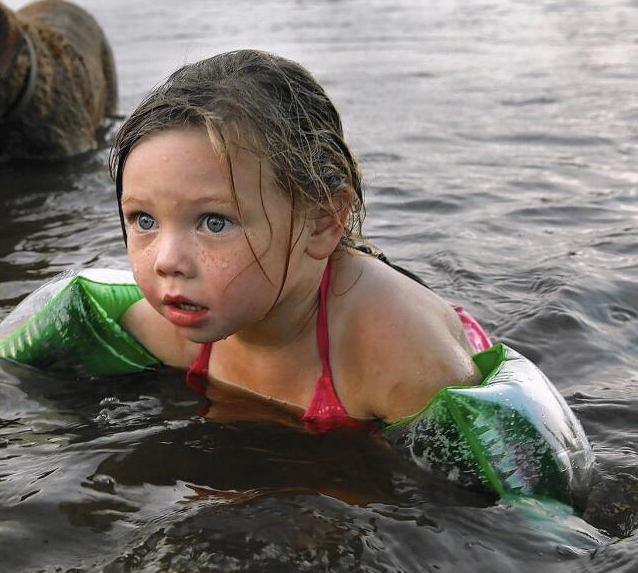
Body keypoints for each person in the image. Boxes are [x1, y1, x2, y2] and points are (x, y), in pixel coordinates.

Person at [109, 49, 489, 432]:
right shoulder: (161, 325)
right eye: (144, 220)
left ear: (322, 222)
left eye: (214, 222)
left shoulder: (402, 353)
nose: (166, 261)